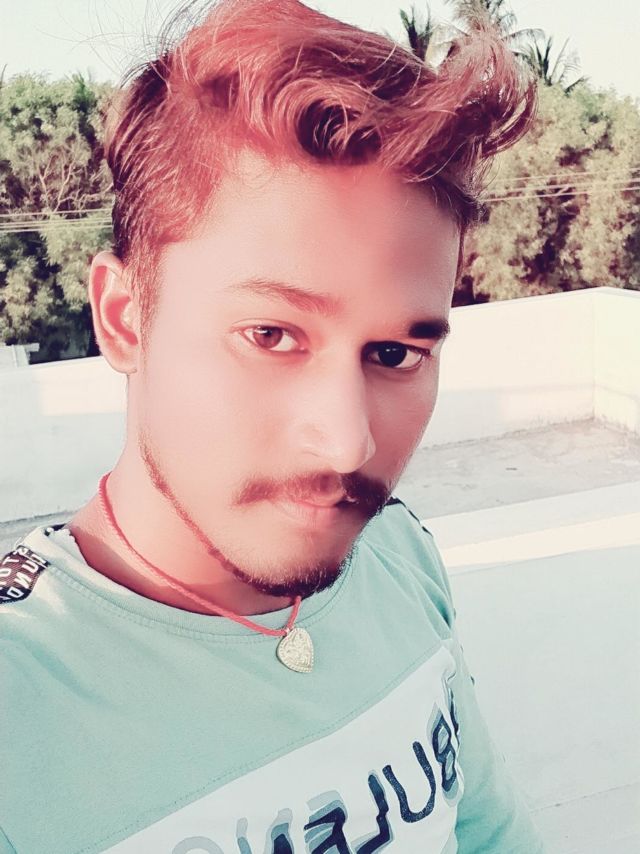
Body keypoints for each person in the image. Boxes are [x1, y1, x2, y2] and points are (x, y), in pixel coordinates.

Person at [1, 0, 546, 851]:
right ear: (124, 317)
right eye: (270, 335)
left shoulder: (398, 554)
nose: (349, 443)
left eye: (396, 353)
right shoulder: (23, 699)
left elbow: (487, 830)